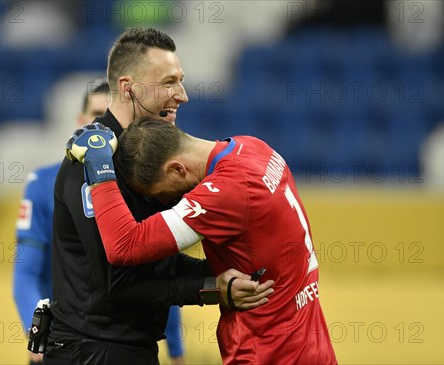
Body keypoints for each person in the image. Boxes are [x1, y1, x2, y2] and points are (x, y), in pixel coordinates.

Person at [46, 27, 274, 365]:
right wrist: (212, 288)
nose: (182, 95)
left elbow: (157, 264)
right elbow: (118, 284)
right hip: (90, 350)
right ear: (128, 88)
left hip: (131, 348)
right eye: (168, 82)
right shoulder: (91, 164)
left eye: (180, 80)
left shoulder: (151, 155)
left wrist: (230, 272)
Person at [66, 118, 338, 365]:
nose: (165, 203)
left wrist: (100, 168)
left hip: (268, 350)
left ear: (176, 169)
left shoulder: (225, 191)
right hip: (313, 343)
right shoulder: (254, 147)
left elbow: (123, 246)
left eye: (160, 194)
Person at [13, 80, 111, 365]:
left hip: (123, 343)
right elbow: (26, 274)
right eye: (96, 115)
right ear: (80, 122)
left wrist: (176, 351)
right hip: (62, 344)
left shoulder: (142, 186)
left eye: (110, 117)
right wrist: (39, 335)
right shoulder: (44, 184)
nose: (102, 127)